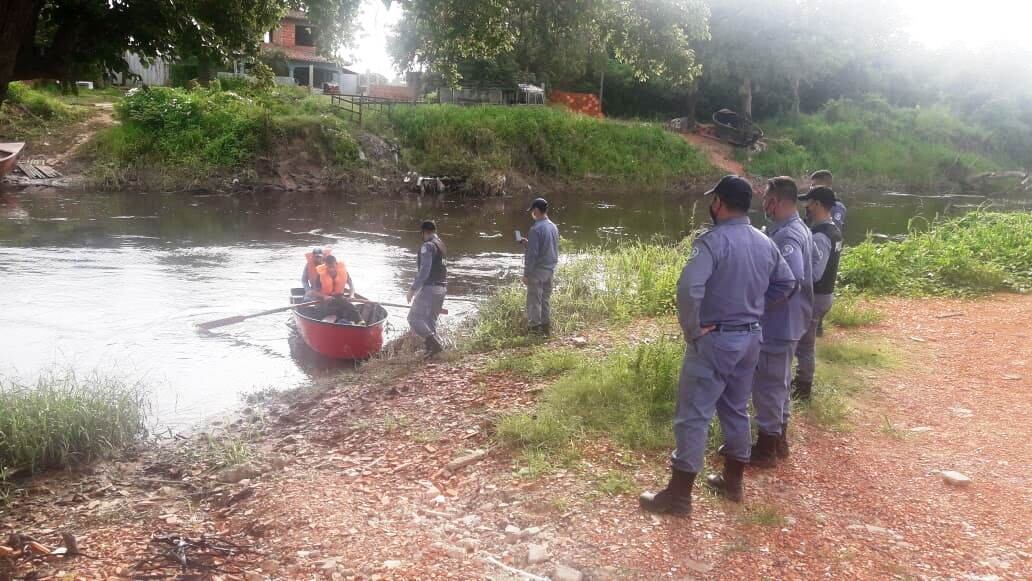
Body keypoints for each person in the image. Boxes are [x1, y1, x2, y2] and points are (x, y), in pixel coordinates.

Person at [639, 175, 796, 515]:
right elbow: (786, 282)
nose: (712, 205)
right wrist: (757, 308)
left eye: (714, 200)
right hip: (751, 337)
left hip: (716, 339)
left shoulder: (712, 242)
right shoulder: (764, 241)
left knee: (694, 415)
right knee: (737, 408)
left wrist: (694, 330)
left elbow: (688, 289)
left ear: (720, 204)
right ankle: (733, 482)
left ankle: (679, 496)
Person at [750, 177, 813, 467]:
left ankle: (766, 448)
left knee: (769, 385)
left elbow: (791, 281)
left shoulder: (788, 236)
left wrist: (758, 305)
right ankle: (780, 442)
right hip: (790, 322)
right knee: (781, 382)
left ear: (775, 201)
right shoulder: (796, 228)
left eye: (766, 199)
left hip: (780, 323)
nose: (763, 204)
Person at [792, 186, 843, 401]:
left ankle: (803, 387)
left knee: (803, 344)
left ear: (818, 205)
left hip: (817, 296)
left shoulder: (821, 235)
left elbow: (815, 273)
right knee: (806, 342)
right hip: (825, 295)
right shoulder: (834, 230)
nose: (806, 207)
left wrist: (792, 276)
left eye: (809, 203)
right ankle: (802, 381)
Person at [406, 220, 447, 357]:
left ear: (423, 232)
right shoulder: (440, 244)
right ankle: (432, 352)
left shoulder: (428, 246)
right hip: (442, 288)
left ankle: (434, 344)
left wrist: (412, 290)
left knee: (413, 318)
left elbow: (424, 271)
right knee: (430, 320)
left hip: (430, 288)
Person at [520, 198, 560, 337]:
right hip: (550, 269)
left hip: (537, 271)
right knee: (545, 300)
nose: (532, 213)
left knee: (534, 301)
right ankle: (545, 329)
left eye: (532, 211)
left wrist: (526, 274)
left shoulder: (535, 229)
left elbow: (532, 255)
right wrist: (529, 243)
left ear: (536, 210)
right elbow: (549, 247)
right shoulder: (553, 226)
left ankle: (534, 332)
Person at [313, 255, 362, 324]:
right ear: (326, 265)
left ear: (336, 264)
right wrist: (324, 296)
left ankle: (360, 322)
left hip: (339, 297)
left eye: (333, 267)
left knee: (351, 307)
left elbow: (351, 285)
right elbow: (314, 292)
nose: (331, 269)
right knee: (322, 311)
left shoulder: (343, 271)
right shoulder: (321, 275)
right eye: (329, 267)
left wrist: (352, 295)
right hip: (326, 299)